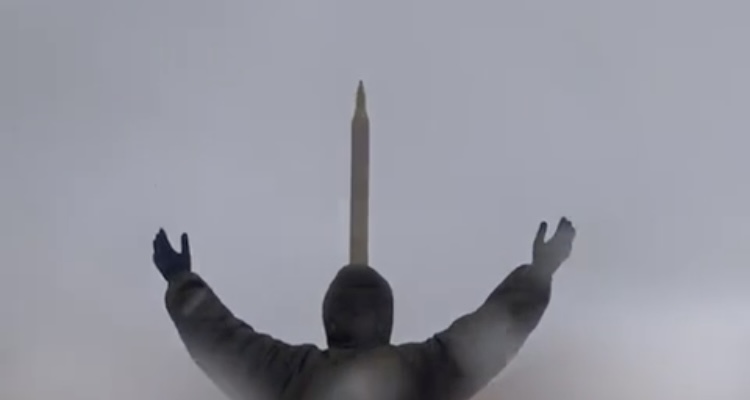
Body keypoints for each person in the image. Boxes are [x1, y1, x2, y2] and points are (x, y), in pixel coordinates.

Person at [152, 217, 576, 400]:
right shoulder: (423, 370)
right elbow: (490, 331)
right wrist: (539, 273)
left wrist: (181, 280)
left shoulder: (292, 374)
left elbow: (224, 342)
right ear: (386, 317)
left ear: (330, 316)